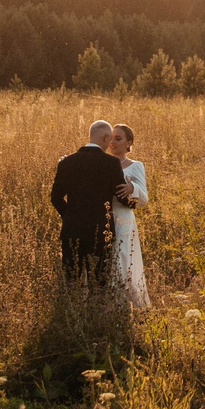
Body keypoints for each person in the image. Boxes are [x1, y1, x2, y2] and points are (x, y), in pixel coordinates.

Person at [50, 119, 127, 285]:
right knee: (99, 281)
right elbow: (121, 196)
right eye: (111, 139)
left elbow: (55, 198)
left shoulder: (66, 162)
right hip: (100, 232)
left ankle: (71, 310)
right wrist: (135, 199)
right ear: (106, 138)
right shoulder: (111, 163)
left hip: (72, 230)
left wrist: (69, 215)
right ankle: (96, 311)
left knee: (72, 280)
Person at [107, 123, 150, 308]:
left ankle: (130, 303)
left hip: (124, 217)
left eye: (118, 139)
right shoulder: (103, 163)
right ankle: (109, 304)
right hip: (105, 217)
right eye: (111, 138)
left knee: (124, 256)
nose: (113, 142)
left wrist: (133, 189)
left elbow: (145, 198)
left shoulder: (135, 166)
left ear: (128, 142)